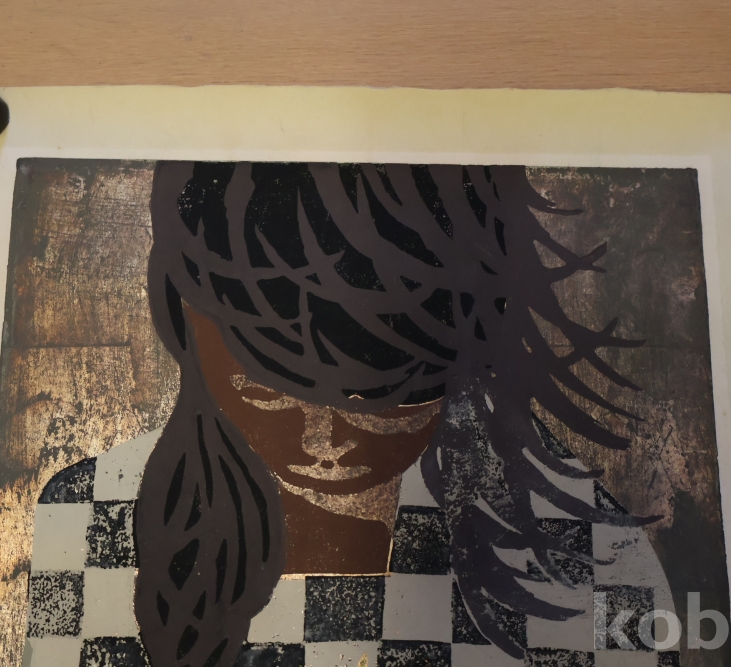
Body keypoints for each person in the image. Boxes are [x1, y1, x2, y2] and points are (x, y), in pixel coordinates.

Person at [135, 162, 653, 667]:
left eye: (381, 406)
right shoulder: (103, 511)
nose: (323, 443)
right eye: (264, 394)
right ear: (183, 327)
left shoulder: (590, 552)